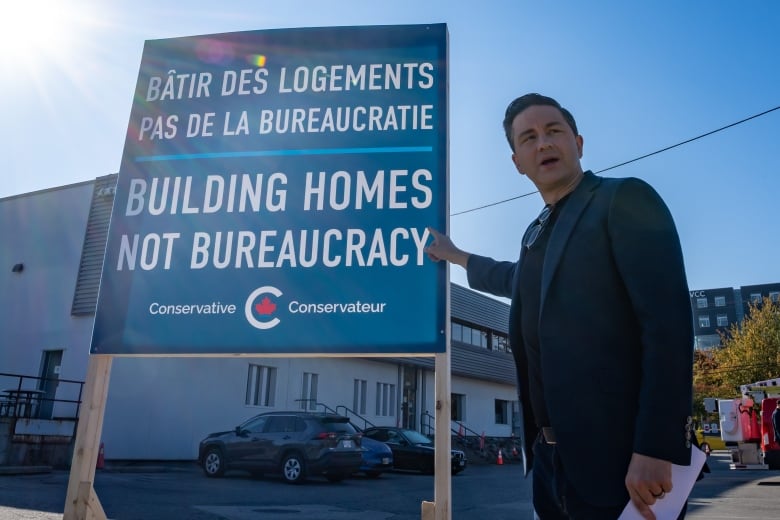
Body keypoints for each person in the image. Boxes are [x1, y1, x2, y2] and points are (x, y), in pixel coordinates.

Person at [425, 93, 694, 520]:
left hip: (625, 465)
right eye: (528, 137)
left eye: (554, 131)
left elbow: (668, 327)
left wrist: (656, 448)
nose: (543, 143)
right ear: (517, 161)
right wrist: (457, 256)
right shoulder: (537, 233)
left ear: (579, 142)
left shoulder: (622, 200)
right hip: (551, 467)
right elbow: (515, 279)